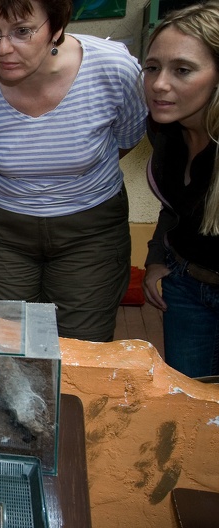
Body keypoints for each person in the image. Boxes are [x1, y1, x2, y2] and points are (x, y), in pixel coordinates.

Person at [0, 0, 147, 341]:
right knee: (4, 345)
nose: (4, 48)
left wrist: (72, 173)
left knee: (82, 348)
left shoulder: (115, 69)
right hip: (2, 233)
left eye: (22, 31)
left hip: (90, 232)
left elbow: (127, 138)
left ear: (56, 27)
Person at [141, 1, 219, 378]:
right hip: (186, 289)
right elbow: (174, 208)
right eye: (152, 67)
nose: (159, 84)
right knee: (190, 408)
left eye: (182, 70)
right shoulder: (164, 131)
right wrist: (158, 258)